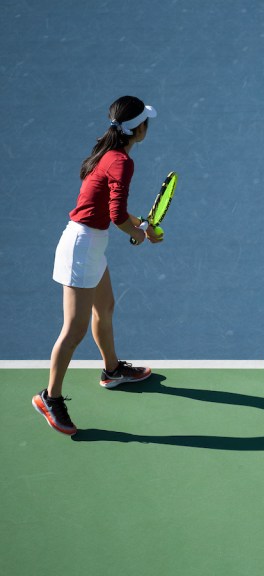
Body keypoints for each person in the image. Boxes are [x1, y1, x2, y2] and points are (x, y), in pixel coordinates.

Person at [33, 96, 163, 436]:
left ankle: (112, 370)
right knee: (73, 330)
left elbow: (109, 207)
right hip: (81, 249)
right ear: (139, 130)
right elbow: (118, 215)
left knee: (104, 309)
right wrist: (138, 233)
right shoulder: (120, 161)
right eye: (147, 122)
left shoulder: (108, 153)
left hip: (90, 243)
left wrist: (140, 227)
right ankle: (50, 397)